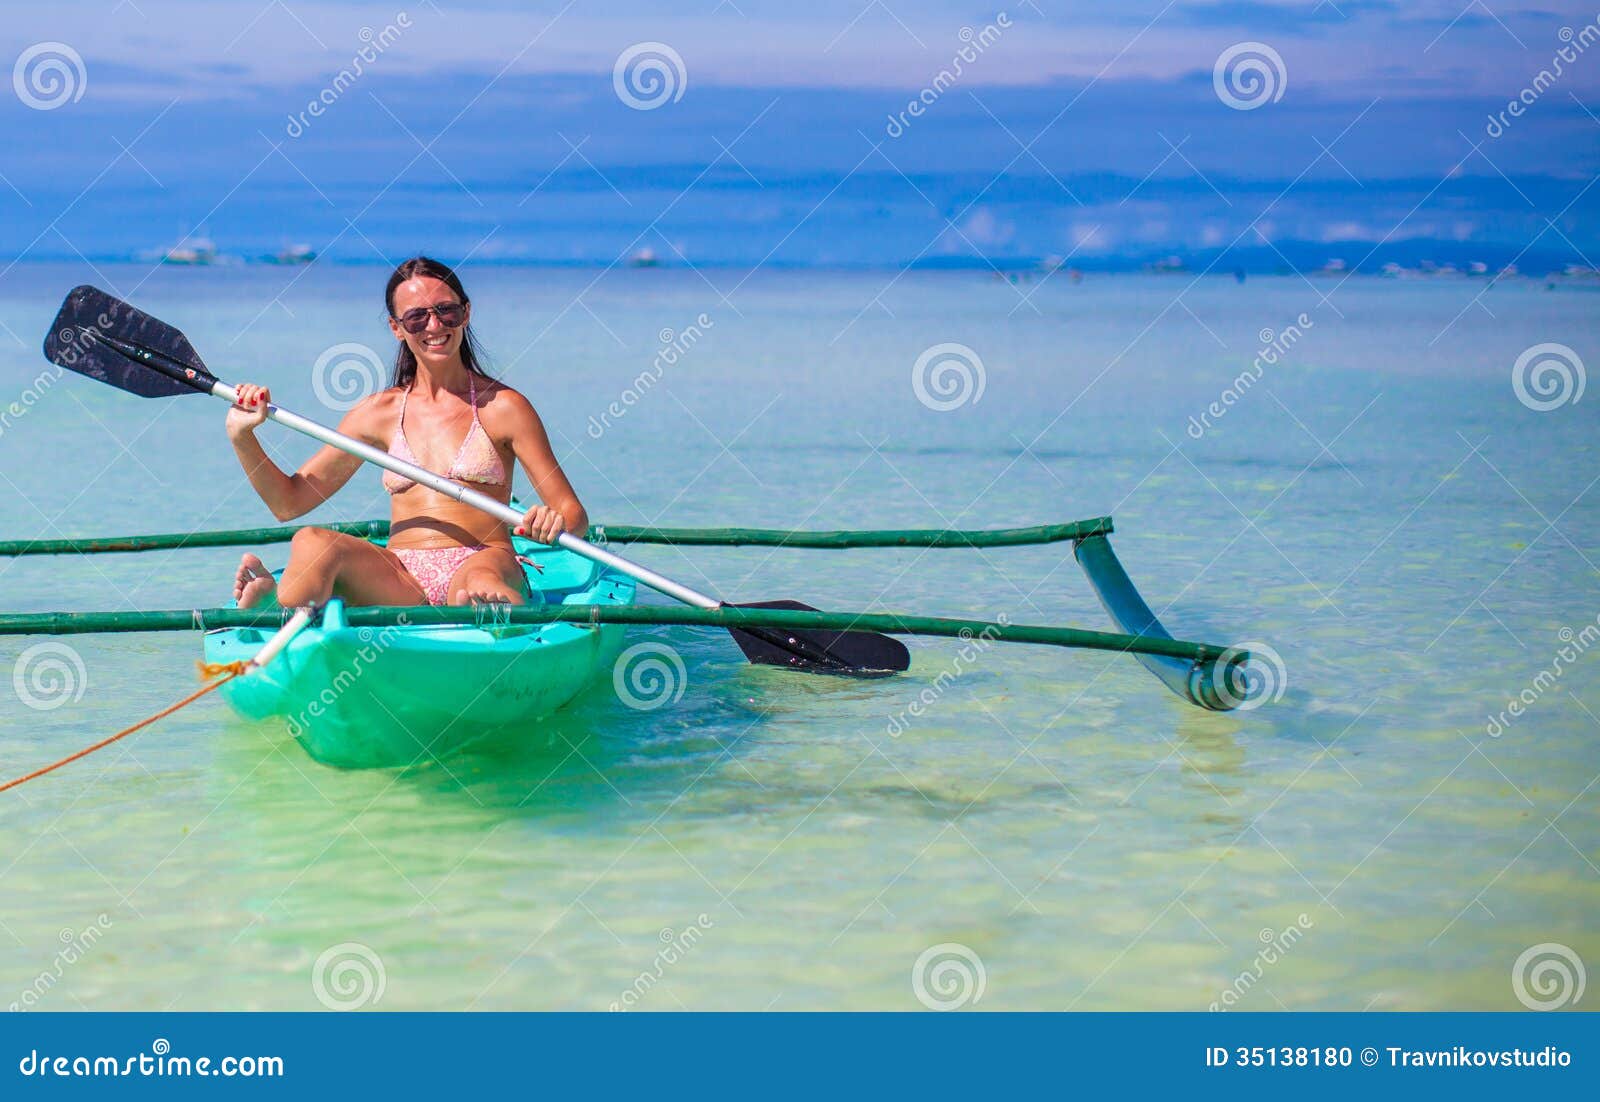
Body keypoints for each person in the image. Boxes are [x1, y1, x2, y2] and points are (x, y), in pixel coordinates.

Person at [227, 256, 586, 608]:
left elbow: (573, 515)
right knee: (312, 541)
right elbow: (289, 504)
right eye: (417, 317)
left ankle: (486, 617)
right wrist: (244, 438)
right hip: (401, 578)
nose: (434, 326)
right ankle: (276, 606)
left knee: (476, 586)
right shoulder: (376, 414)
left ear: (466, 313)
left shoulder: (505, 408)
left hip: (484, 558)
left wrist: (554, 522)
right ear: (397, 328)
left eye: (446, 311)